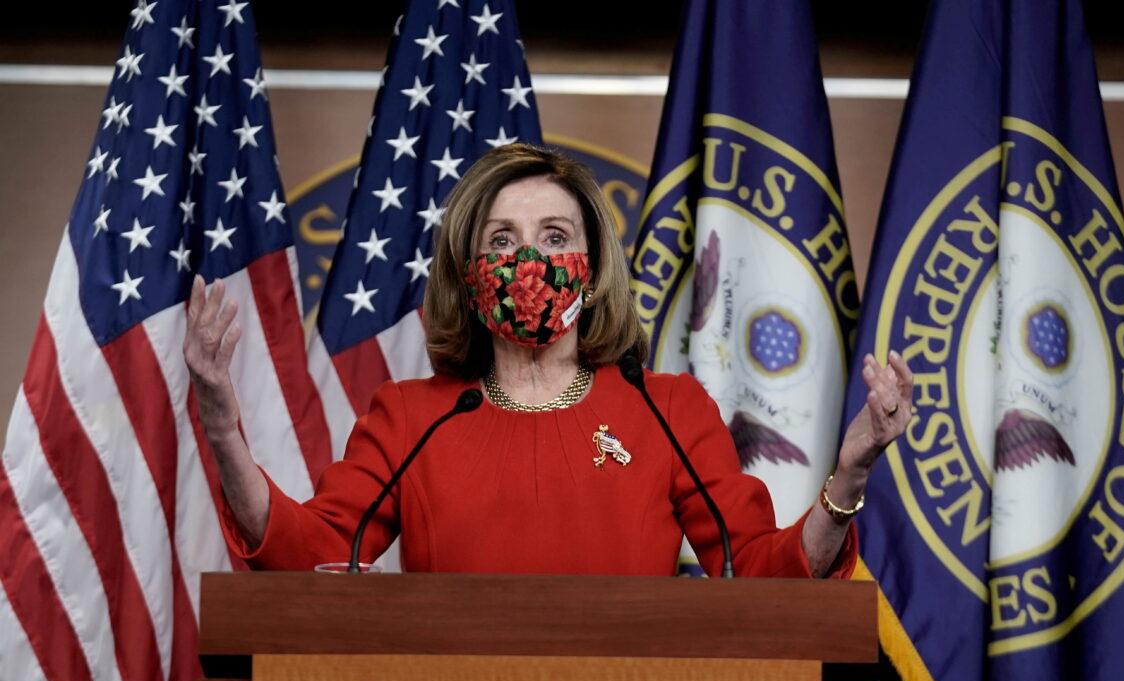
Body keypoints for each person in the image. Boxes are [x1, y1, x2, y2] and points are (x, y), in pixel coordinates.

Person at [184, 143, 913, 578]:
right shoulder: (412, 419)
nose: (528, 260)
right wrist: (222, 428)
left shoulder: (667, 410)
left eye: (553, 234)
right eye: (501, 242)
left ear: (592, 271)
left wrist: (849, 473)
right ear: (469, 280)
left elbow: (762, 572)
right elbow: (307, 553)